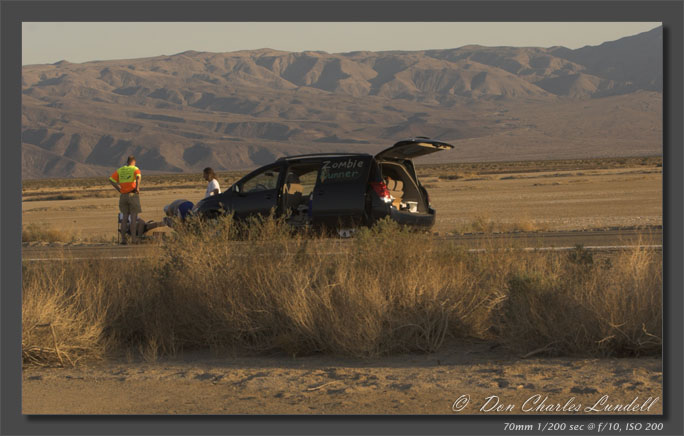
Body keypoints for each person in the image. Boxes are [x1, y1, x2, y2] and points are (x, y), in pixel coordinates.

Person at [109, 155, 142, 244]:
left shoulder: (120, 170)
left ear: (127, 162)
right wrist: (137, 188)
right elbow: (138, 177)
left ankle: (123, 240)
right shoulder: (135, 169)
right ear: (134, 162)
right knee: (133, 218)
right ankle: (134, 240)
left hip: (123, 195)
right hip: (132, 195)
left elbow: (111, 179)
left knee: (124, 218)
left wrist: (118, 188)